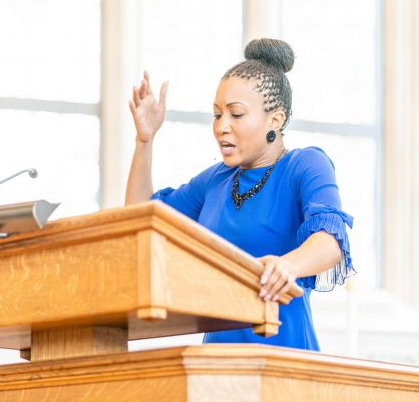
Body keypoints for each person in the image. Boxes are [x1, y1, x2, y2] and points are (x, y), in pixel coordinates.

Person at [125, 38, 354, 350]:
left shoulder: (305, 164)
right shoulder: (216, 180)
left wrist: (288, 266)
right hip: (217, 367)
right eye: (217, 114)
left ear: (276, 119)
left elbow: (331, 240)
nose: (221, 126)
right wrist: (144, 140)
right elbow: (141, 219)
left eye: (236, 114)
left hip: (284, 361)